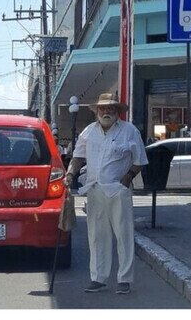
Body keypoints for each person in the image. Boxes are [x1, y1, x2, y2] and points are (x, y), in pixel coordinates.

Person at [64, 93, 148, 294]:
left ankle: (124, 279)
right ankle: (98, 278)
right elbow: (77, 157)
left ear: (117, 111)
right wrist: (70, 174)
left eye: (111, 108)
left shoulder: (129, 131)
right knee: (96, 235)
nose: (106, 111)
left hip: (118, 190)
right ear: (97, 111)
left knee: (123, 234)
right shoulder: (88, 132)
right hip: (95, 189)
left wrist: (127, 179)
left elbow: (140, 160)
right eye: (103, 108)